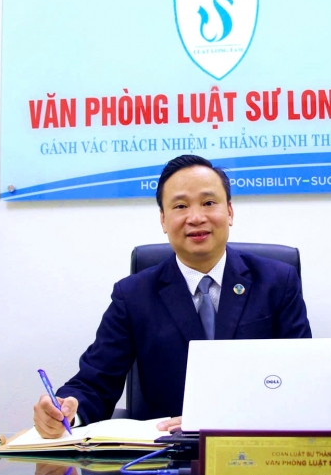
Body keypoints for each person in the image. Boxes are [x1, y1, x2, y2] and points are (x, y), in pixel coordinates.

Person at [33, 154, 312, 437]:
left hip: (257, 445)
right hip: (165, 452)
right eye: (180, 206)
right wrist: (66, 410)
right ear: (164, 220)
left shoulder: (277, 282)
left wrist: (223, 418)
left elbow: (301, 377)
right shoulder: (133, 295)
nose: (196, 217)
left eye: (209, 203)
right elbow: (94, 382)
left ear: (229, 212)